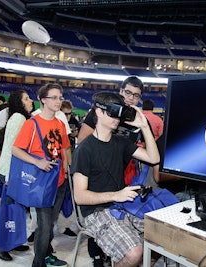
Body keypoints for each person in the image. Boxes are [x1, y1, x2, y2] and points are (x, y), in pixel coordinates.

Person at [71, 92, 160, 267]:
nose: (117, 118)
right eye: (113, 112)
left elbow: (154, 158)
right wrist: (116, 195)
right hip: (95, 212)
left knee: (162, 236)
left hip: (122, 205)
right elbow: (79, 196)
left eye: (119, 112)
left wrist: (144, 126)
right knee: (134, 252)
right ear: (98, 112)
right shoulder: (84, 149)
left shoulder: (121, 142)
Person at [12, 83, 70, 267]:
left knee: (51, 223)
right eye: (54, 97)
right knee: (44, 226)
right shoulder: (32, 123)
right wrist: (37, 162)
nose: (58, 101)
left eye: (60, 97)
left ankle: (46, 254)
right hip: (41, 182)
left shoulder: (60, 123)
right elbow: (15, 149)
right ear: (43, 100)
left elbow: (65, 148)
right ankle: (38, 263)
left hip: (59, 181)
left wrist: (67, 169)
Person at [0, 90, 33, 260]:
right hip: (10, 172)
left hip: (13, 171)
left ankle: (12, 241)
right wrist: (9, 175)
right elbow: (12, 147)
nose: (31, 101)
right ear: (19, 102)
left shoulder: (19, 117)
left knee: (15, 209)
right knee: (7, 210)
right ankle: (0, 245)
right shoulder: (19, 118)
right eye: (27, 99)